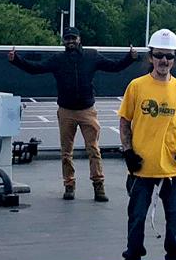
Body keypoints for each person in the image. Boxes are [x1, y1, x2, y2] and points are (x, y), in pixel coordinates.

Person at [8, 27, 138, 201]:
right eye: (67, 38)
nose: (70, 41)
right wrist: (16, 60)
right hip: (66, 111)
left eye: (73, 38)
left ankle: (98, 186)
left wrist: (130, 58)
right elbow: (35, 69)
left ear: (79, 39)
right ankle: (69, 185)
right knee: (66, 152)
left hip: (87, 111)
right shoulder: (58, 59)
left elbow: (113, 67)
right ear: (64, 41)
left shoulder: (92, 56)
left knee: (94, 150)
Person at [116, 28, 176, 260]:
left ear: (175, 59)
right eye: (159, 56)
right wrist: (127, 152)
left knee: (175, 219)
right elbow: (125, 122)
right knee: (136, 217)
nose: (163, 61)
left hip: (172, 168)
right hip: (142, 168)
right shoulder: (136, 87)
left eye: (168, 57)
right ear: (150, 57)